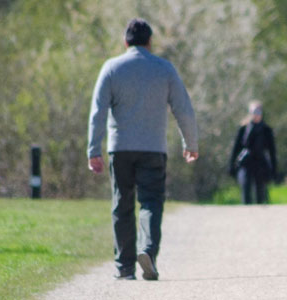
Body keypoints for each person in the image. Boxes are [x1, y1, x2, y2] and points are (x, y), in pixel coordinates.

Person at [87, 18, 199, 281]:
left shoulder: (112, 67)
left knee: (121, 204)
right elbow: (183, 108)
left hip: (120, 148)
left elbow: (98, 112)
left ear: (125, 42)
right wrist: (191, 143)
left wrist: (94, 149)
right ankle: (147, 251)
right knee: (151, 202)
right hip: (153, 149)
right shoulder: (164, 69)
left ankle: (125, 267)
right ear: (150, 42)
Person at [229, 101, 277, 204]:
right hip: (246, 162)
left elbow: (272, 151)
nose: (256, 114)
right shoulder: (243, 129)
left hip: (260, 162)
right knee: (245, 187)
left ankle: (258, 215)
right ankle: (247, 214)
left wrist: (274, 168)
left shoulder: (266, 130)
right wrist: (231, 165)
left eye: (258, 111)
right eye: (254, 111)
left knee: (260, 192)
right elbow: (236, 148)